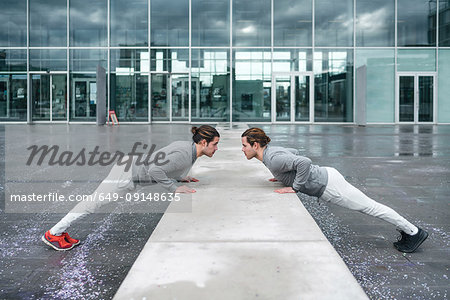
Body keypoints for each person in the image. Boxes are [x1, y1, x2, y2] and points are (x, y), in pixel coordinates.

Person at [241, 127, 428, 253]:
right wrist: (283, 176)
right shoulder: (272, 153)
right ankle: (409, 230)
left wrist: (295, 187)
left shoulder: (273, 159)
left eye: (244, 145)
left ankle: (413, 232)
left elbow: (303, 161)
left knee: (371, 207)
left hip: (329, 186)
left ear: (255, 145)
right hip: (328, 176)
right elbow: (294, 153)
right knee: (370, 206)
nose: (242, 149)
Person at [42, 125, 220, 251]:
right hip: (127, 175)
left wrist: (180, 177)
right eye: (214, 144)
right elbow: (155, 169)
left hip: (128, 167)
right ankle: (53, 233)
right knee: (93, 203)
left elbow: (162, 160)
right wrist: (174, 188)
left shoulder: (186, 147)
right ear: (203, 142)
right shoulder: (185, 155)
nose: (216, 148)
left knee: (92, 202)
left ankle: (60, 231)